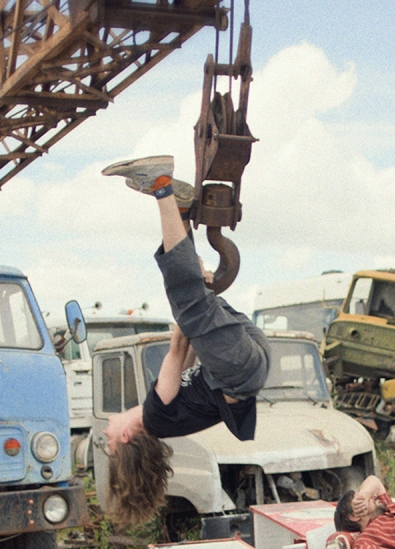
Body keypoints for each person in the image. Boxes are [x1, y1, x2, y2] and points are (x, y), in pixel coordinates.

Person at [99, 156, 271, 525]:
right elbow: (178, 349)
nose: (105, 435)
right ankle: (160, 184)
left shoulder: (164, 415)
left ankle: (177, 206)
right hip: (236, 371)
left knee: (191, 297)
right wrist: (192, 297)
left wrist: (198, 294)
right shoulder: (155, 418)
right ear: (127, 437)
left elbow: (190, 354)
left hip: (245, 364)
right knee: (187, 298)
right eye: (108, 443)